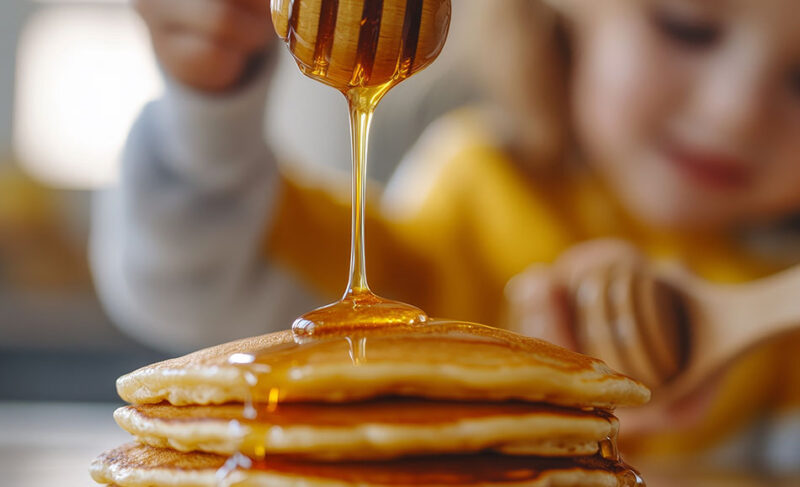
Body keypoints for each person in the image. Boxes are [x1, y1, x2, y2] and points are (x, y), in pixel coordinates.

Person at [91, 0, 800, 473]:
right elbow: (194, 285)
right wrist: (210, 104)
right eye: (688, 25)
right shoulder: (472, 201)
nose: (737, 111)